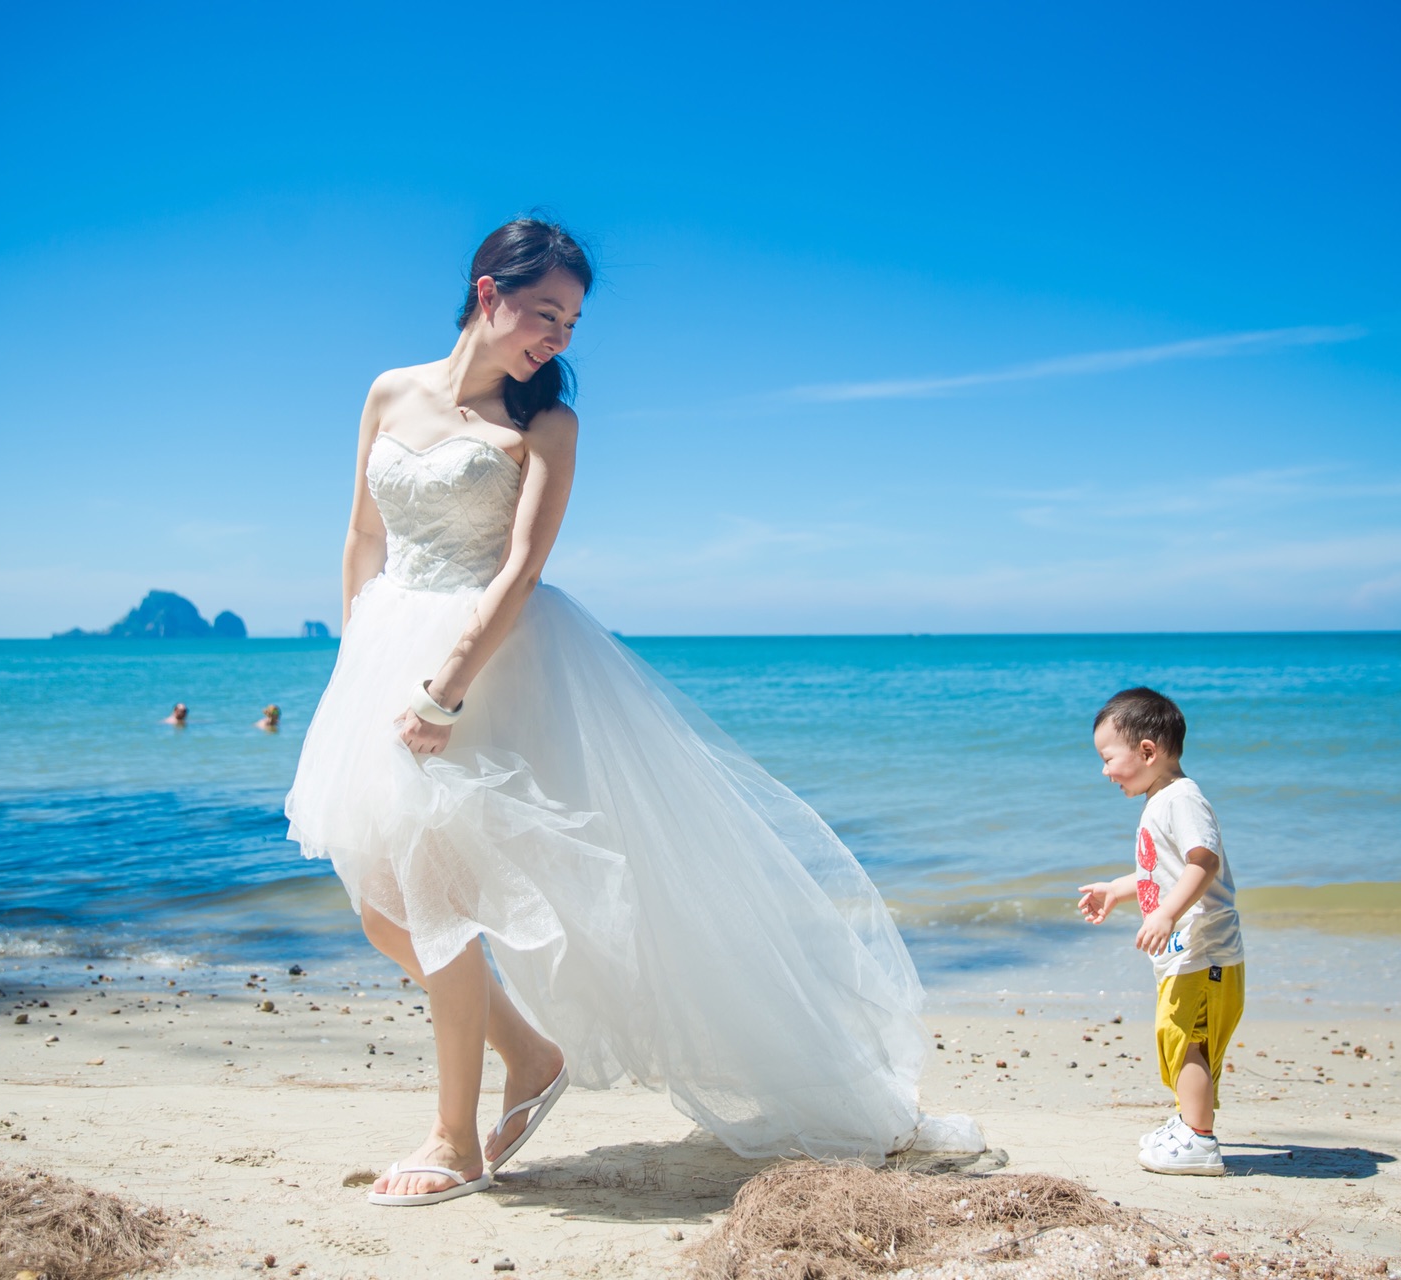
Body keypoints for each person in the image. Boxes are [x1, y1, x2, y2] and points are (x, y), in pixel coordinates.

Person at [283, 218, 975, 1209]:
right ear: (488, 291)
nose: (557, 337)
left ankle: (455, 1135)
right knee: (381, 902)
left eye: (571, 321)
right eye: (544, 312)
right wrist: (356, 664)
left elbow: (522, 568)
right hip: (382, 648)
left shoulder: (548, 425)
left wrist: (445, 687)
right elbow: (361, 532)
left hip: (490, 658)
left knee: (439, 898)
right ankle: (530, 1057)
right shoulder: (389, 391)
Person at [1077, 687, 1244, 1177]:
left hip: (1204, 948)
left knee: (1190, 1040)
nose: (1104, 770)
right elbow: (1161, 873)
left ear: (1147, 751)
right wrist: (1116, 889)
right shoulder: (1160, 801)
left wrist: (1167, 913)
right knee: (1177, 1038)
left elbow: (1203, 862)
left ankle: (1199, 1139)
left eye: (1109, 758)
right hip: (1184, 952)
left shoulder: (1183, 799)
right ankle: (1188, 1122)